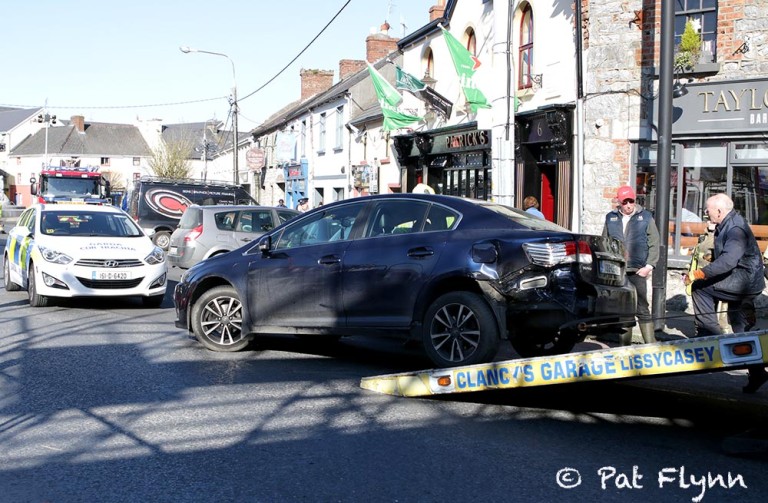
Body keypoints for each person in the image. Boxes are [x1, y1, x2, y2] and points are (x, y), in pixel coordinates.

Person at [685, 193, 768, 393]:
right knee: (740, 329)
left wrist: (699, 273)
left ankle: (710, 335)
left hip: (743, 282)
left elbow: (728, 261)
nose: (705, 213)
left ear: (720, 211)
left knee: (700, 288)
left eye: (708, 210)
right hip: (744, 280)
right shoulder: (729, 223)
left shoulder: (736, 229)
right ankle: (758, 374)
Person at [603, 185, 660, 346]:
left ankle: (650, 345)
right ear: (619, 202)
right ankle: (624, 347)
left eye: (631, 201)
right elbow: (605, 242)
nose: (628, 205)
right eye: (625, 202)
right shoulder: (610, 218)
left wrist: (649, 266)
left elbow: (654, 243)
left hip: (638, 269)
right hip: (619, 270)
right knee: (624, 310)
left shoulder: (646, 217)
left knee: (642, 307)